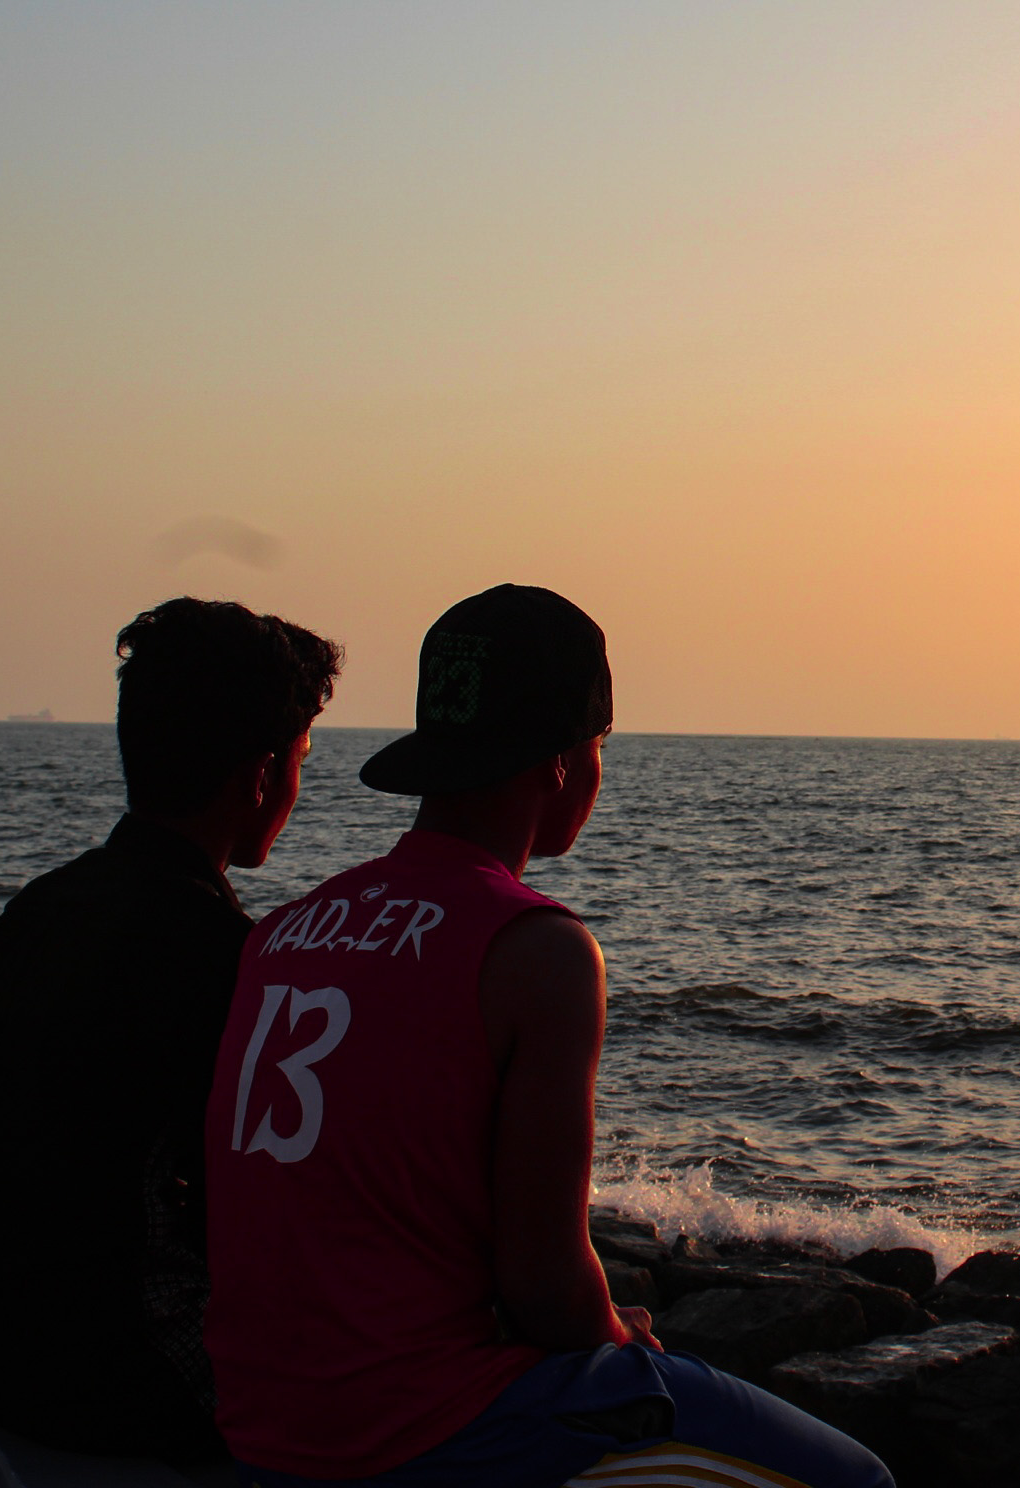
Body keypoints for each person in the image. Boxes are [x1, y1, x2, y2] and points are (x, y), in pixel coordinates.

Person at [202, 585, 891, 1488]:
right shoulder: (537, 949)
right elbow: (545, 1287)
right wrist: (619, 1336)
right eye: (600, 747)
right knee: (857, 1480)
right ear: (563, 762)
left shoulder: (283, 930)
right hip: (417, 1424)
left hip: (262, 1419)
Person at [0, 598, 341, 1460]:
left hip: (2, 1362)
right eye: (301, 760)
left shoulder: (33, 917)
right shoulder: (231, 960)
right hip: (135, 1381)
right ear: (263, 776)